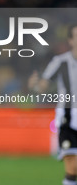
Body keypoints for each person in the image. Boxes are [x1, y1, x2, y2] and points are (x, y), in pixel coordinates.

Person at [28, 24, 77, 185]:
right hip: (68, 118)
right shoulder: (60, 62)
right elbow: (43, 86)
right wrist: (33, 85)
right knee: (73, 167)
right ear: (70, 40)